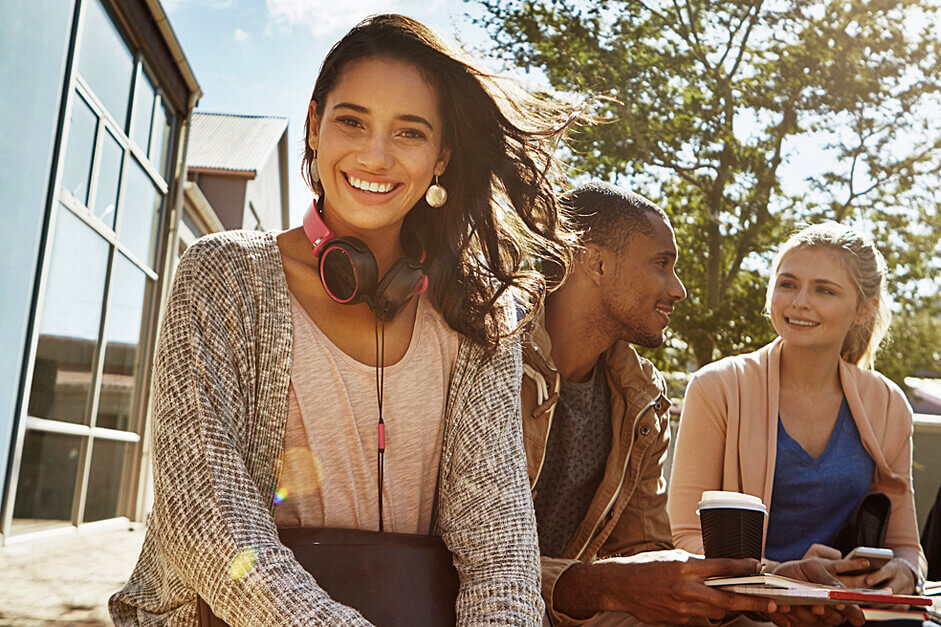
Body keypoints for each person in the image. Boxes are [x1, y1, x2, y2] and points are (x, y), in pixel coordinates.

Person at [110, 14, 587, 625]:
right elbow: (204, 509)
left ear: (442, 156)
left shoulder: (478, 320)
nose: (375, 155)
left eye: (409, 133)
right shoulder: (222, 276)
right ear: (314, 127)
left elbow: (500, 552)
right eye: (352, 121)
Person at [524, 184, 854, 627]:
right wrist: (600, 586)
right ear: (597, 263)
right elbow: (458, 553)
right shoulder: (492, 365)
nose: (678, 290)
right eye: (662, 265)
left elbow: (645, 557)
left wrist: (769, 584)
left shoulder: (638, 396)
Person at [667, 222, 927, 598]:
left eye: (824, 290)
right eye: (788, 284)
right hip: (745, 611)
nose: (799, 301)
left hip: (849, 613)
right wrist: (779, 577)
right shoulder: (717, 387)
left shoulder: (888, 404)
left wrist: (906, 572)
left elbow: (907, 547)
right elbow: (684, 538)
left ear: (864, 310)